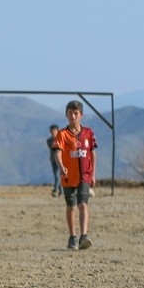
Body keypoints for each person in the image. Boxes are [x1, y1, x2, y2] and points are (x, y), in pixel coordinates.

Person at [52, 101, 98, 250]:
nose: (73, 116)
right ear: (66, 115)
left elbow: (92, 153)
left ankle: (84, 236)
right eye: (70, 113)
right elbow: (57, 153)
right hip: (68, 176)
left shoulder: (88, 133)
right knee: (71, 206)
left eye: (76, 113)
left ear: (81, 115)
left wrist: (93, 174)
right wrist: (61, 166)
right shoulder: (62, 134)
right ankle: (72, 237)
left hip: (84, 175)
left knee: (83, 204)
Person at [47, 124, 63, 197]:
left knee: (58, 176)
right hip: (53, 160)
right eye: (51, 130)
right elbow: (53, 147)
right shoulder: (49, 140)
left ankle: (55, 190)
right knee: (56, 176)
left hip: (60, 160)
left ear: (57, 130)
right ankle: (61, 191)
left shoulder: (61, 139)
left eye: (54, 130)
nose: (53, 132)